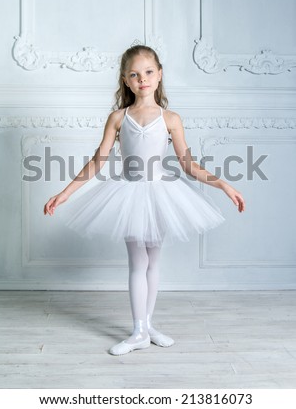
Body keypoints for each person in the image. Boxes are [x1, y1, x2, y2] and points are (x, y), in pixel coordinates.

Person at [44, 44, 245, 356]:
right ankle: (138, 329)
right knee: (138, 262)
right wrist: (65, 193)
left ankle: (147, 324)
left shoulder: (171, 119)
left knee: (154, 262)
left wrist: (223, 184)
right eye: (135, 74)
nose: (142, 79)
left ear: (160, 74)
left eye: (148, 72)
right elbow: (97, 161)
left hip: (161, 193)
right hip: (129, 193)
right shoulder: (118, 118)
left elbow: (189, 165)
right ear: (126, 80)